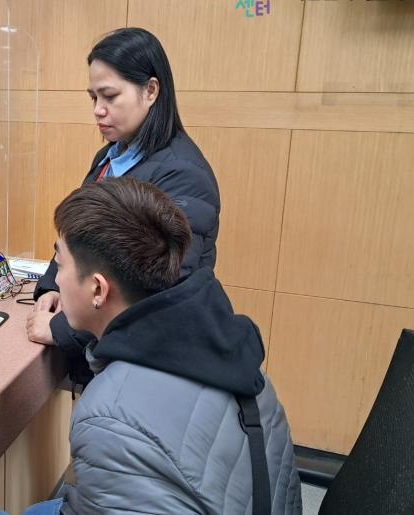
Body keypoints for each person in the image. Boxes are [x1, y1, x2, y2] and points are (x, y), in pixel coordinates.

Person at [16, 177, 300, 514]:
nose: (57, 280)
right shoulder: (234, 356)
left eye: (60, 264)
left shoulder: (110, 415)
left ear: (98, 290)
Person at [26, 28, 220, 387]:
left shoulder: (183, 176)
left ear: (151, 90)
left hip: (146, 361)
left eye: (110, 96)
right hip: (104, 350)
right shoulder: (109, 157)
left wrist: (62, 329)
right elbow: (77, 236)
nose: (98, 110)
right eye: (93, 97)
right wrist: (53, 288)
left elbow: (153, 290)